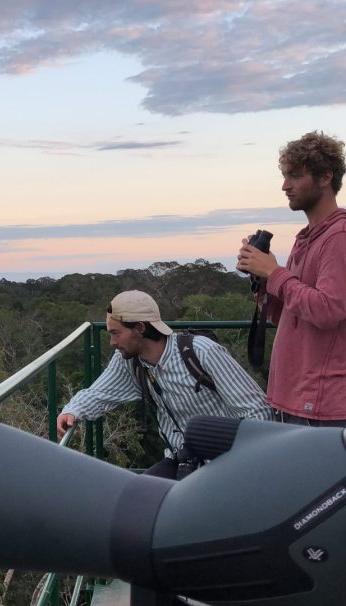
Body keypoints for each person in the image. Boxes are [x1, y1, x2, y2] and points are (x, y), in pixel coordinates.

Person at [57, 290, 273, 478]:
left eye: (116, 333)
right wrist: (73, 411)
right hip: (182, 460)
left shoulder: (201, 352)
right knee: (140, 499)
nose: (113, 342)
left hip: (227, 462)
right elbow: (99, 393)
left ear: (140, 328)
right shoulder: (129, 361)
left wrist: (243, 465)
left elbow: (258, 411)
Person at [237, 131, 346, 426]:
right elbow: (288, 315)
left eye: (295, 176)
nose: (285, 186)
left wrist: (274, 272)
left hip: (324, 405)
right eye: (285, 176)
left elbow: (329, 309)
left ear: (326, 178)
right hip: (293, 397)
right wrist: (262, 285)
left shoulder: (339, 237)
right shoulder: (305, 239)